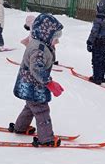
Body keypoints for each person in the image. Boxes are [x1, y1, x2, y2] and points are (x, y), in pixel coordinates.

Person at [10, 14, 64, 147]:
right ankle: (46, 138)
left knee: (30, 107)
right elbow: (36, 69)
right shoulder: (38, 49)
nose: (57, 41)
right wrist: (49, 82)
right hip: (32, 85)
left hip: (31, 85)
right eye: (55, 37)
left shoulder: (42, 44)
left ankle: (20, 127)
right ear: (46, 34)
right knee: (41, 110)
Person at [86, 0, 105, 85]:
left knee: (96, 59)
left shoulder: (98, 20)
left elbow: (94, 32)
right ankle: (101, 76)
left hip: (98, 41)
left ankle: (96, 77)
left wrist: (89, 42)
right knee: (102, 59)